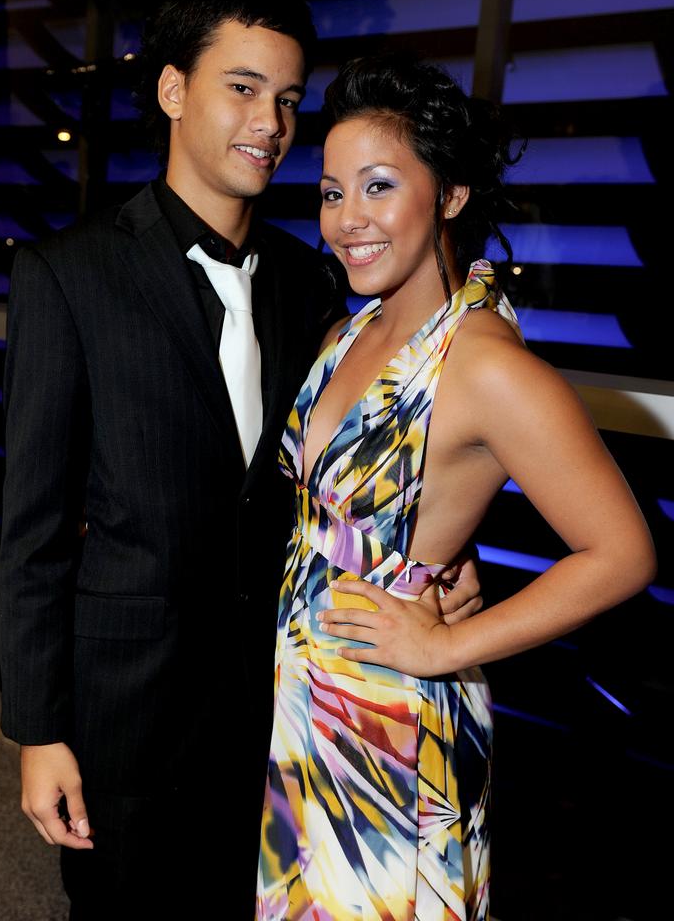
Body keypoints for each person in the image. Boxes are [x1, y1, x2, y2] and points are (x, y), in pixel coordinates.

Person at [0, 0, 481, 918]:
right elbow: (33, 533)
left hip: (282, 707)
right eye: (244, 87)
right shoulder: (68, 276)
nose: (272, 122)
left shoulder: (318, 286)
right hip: (124, 712)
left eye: (289, 98)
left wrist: (441, 564)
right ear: (175, 90)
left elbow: (359, 462)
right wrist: (37, 731)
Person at [256, 53, 657, 920]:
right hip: (310, 696)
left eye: (378, 186)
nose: (346, 220)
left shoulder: (485, 365)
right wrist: (442, 550)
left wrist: (445, 648)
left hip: (392, 720)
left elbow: (623, 553)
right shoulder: (351, 324)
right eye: (331, 193)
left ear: (451, 193)